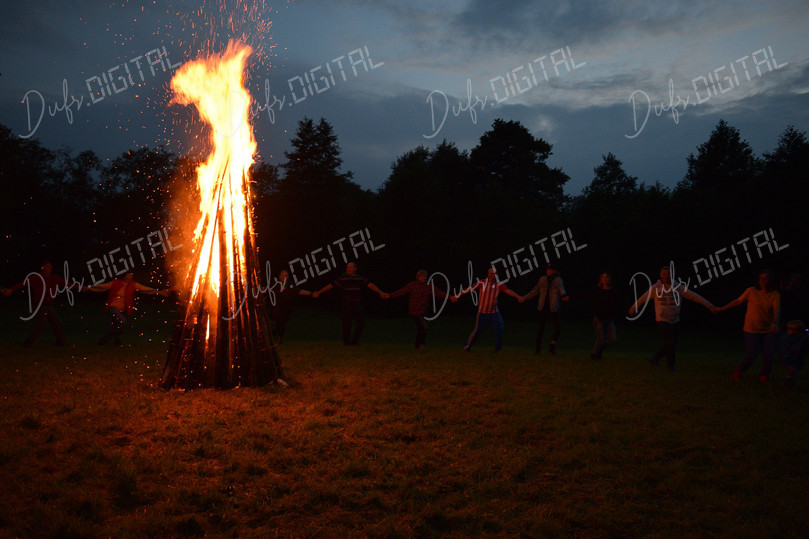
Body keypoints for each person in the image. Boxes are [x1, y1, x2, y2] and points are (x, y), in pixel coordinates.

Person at [628, 265, 717, 372]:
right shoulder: (656, 288)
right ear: (660, 275)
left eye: (668, 274)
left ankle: (655, 358)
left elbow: (694, 296)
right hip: (662, 319)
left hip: (675, 320)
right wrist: (634, 307)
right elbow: (644, 298)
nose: (666, 276)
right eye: (664, 274)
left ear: (672, 275)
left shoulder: (678, 287)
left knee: (671, 344)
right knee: (671, 343)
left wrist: (709, 305)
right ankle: (671, 365)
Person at [1, 260, 86, 346]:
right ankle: (28, 342)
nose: (48, 268)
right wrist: (11, 289)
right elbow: (23, 283)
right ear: (42, 268)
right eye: (46, 266)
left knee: (57, 323)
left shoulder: (55, 278)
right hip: (39, 305)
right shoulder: (36, 277)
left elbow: (67, 284)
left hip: (48, 306)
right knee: (42, 324)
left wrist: (79, 287)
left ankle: (60, 342)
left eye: (49, 266)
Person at [716, 270, 781, 383]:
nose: (763, 281)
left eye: (765, 278)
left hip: (768, 329)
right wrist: (722, 309)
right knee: (751, 353)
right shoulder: (751, 291)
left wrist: (775, 323)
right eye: (761, 278)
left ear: (770, 280)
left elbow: (776, 309)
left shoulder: (775, 294)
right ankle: (738, 372)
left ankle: (764, 375)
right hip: (751, 329)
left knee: (769, 355)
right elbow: (738, 301)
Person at [313, 262, 386, 345]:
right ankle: (346, 342)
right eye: (347, 267)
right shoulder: (342, 278)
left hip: (356, 303)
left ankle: (355, 341)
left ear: (355, 269)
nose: (348, 269)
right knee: (347, 323)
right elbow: (331, 285)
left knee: (361, 322)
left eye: (350, 268)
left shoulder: (359, 278)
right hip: (346, 302)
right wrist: (319, 292)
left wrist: (380, 292)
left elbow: (370, 285)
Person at [89, 271, 170, 345]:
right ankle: (111, 339)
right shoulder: (115, 283)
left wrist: (158, 292)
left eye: (131, 276)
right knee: (122, 321)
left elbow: (144, 289)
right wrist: (89, 288)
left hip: (123, 309)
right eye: (128, 276)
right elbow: (103, 287)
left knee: (117, 325)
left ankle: (108, 339)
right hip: (113, 307)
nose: (129, 278)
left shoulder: (133, 284)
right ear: (124, 276)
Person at [451, 267, 522, 352]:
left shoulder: (499, 285)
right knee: (477, 331)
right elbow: (470, 289)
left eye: (494, 274)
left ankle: (498, 349)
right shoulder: (482, 283)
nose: (492, 275)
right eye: (491, 273)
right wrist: (458, 295)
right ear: (488, 274)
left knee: (500, 328)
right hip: (483, 313)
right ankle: (467, 346)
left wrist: (518, 296)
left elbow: (508, 291)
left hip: (494, 312)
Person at [570, 272, 625, 360]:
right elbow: (584, 295)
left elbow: (621, 302)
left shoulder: (613, 291)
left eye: (607, 277)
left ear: (610, 279)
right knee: (600, 339)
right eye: (603, 277)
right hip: (598, 318)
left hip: (609, 318)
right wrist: (570, 298)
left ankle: (599, 351)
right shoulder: (597, 290)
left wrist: (630, 310)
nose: (605, 279)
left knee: (612, 339)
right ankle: (594, 354)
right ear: (600, 280)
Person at [387, 269, 448, 349]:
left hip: (423, 311)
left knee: (421, 328)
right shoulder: (413, 285)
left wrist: (449, 297)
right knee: (424, 327)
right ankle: (421, 344)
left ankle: (417, 345)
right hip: (414, 311)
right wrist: (390, 295)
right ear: (418, 277)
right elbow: (402, 291)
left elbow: (438, 292)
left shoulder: (428, 286)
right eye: (422, 277)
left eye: (425, 277)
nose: (424, 278)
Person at [521, 264, 568, 355]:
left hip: (553, 308)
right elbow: (535, 290)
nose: (547, 271)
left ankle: (552, 346)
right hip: (542, 307)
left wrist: (564, 295)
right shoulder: (542, 279)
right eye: (547, 269)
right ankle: (537, 348)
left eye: (549, 269)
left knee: (558, 328)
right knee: (541, 329)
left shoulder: (558, 280)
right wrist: (525, 297)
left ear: (554, 271)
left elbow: (562, 289)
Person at [271, 269, 312, 344]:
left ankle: (276, 337)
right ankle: (275, 337)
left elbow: (299, 291)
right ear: (279, 276)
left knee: (282, 324)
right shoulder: (275, 284)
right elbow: (268, 290)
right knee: (280, 323)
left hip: (286, 308)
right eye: (282, 275)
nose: (284, 277)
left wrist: (311, 293)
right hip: (277, 308)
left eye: (285, 276)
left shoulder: (290, 285)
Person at [780, 320, 808, 389]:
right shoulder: (785, 338)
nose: (789, 331)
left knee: (793, 371)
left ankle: (789, 385)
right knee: (790, 371)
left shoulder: (803, 339)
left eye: (792, 329)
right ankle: (788, 384)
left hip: (797, 358)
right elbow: (782, 346)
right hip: (787, 357)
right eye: (789, 329)